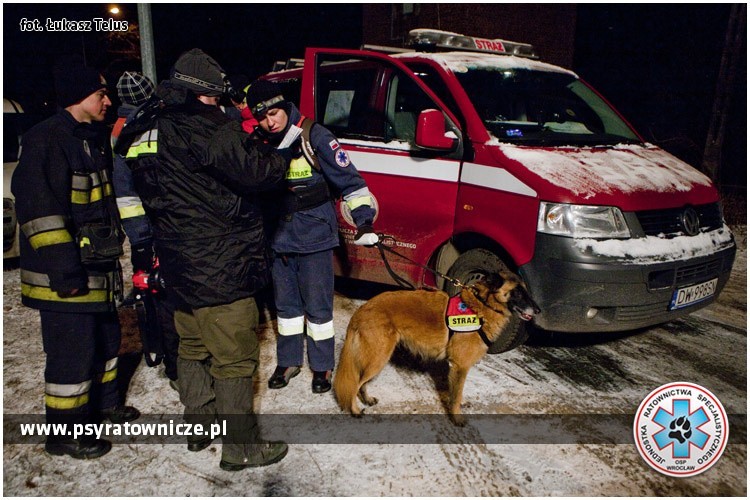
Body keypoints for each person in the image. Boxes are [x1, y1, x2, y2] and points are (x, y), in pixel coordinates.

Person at [115, 48, 290, 471]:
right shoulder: (206, 127)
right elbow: (261, 172)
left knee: (191, 346)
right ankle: (241, 447)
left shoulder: (145, 129)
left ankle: (200, 423)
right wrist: (276, 151)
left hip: (176, 262)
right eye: (215, 97)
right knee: (233, 356)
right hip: (220, 262)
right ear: (204, 93)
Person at [11, 57, 140, 460]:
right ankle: (64, 434)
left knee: (104, 340)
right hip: (65, 279)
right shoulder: (47, 140)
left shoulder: (87, 136)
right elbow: (40, 214)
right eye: (101, 93)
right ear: (77, 96)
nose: (108, 101)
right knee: (72, 356)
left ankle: (102, 406)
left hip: (96, 272)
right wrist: (65, 272)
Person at [245, 79, 378, 395]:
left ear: (285, 107)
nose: (270, 122)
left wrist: (365, 222)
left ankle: (322, 367)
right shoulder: (259, 142)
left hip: (315, 238)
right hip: (278, 240)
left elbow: (351, 183)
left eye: (274, 113)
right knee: (286, 308)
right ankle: (289, 361)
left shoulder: (313, 136)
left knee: (319, 311)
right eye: (262, 117)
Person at [111, 71, 180, 388]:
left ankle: (170, 356)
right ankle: (177, 359)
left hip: (147, 231)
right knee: (170, 295)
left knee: (156, 297)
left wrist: (139, 242)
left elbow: (125, 194)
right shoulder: (164, 121)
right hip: (170, 229)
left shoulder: (119, 131)